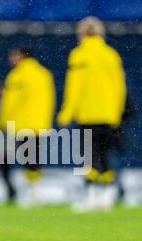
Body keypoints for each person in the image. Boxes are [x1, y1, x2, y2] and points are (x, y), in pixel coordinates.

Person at [57, 17, 127, 212]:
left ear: (82, 33)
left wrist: (66, 114)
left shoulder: (79, 55)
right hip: (107, 115)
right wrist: (116, 114)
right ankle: (106, 197)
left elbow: (75, 88)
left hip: (88, 114)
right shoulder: (111, 55)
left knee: (89, 157)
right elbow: (119, 88)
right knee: (104, 156)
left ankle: (91, 195)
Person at [0, 48, 56, 205]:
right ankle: (35, 192)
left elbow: (11, 103)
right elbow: (49, 100)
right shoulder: (44, 74)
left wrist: (4, 123)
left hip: (20, 124)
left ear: (22, 56)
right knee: (32, 159)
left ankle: (19, 192)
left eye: (14, 55)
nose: (11, 59)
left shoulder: (17, 76)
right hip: (38, 124)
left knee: (5, 157)